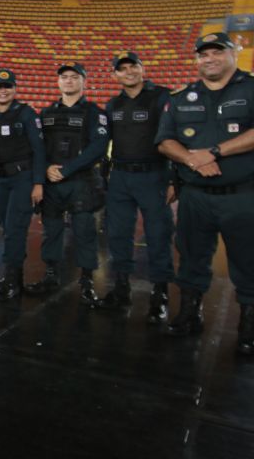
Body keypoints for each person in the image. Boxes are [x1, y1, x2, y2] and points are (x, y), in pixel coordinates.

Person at [155, 32, 254, 355]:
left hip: (246, 196)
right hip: (196, 195)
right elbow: (165, 141)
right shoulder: (181, 96)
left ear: (233, 54)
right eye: (203, 55)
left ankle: (249, 331)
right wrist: (192, 157)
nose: (209, 59)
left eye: (217, 53)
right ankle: (190, 315)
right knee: (191, 258)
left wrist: (214, 152)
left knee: (252, 264)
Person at [97, 52, 175, 323]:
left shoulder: (162, 96)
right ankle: (121, 288)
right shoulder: (112, 103)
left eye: (134, 67)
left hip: (154, 175)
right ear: (114, 75)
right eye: (122, 69)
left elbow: (175, 138)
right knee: (118, 234)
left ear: (143, 69)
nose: (129, 72)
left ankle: (160, 294)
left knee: (158, 235)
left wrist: (175, 179)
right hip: (119, 176)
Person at [25, 62, 108, 305]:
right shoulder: (47, 113)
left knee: (84, 232)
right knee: (51, 231)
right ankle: (51, 275)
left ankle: (86, 281)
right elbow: (38, 148)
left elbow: (98, 148)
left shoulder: (95, 113)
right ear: (58, 82)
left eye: (74, 77)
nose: (69, 81)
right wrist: (47, 170)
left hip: (81, 181)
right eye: (64, 77)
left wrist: (67, 169)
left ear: (84, 81)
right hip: (52, 183)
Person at [0, 69, 45, 302]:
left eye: (7, 86)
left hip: (23, 178)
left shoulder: (25, 113)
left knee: (16, 229)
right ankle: (12, 277)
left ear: (15, 89)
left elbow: (39, 149)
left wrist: (38, 183)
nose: (3, 91)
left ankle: (13, 281)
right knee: (8, 228)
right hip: (1, 179)